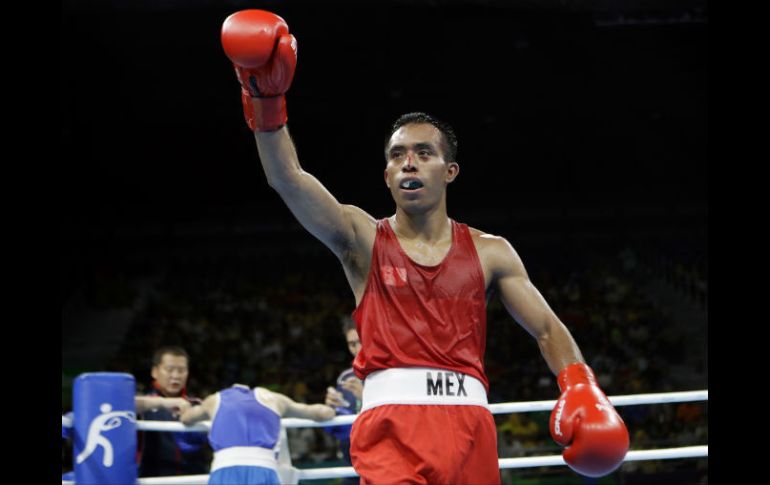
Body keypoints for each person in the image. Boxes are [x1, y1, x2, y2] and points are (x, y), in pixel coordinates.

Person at [220, 9, 630, 484]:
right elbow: (286, 179)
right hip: (392, 427)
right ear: (388, 176)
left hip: (470, 426)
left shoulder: (491, 251)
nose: (408, 163)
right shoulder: (362, 238)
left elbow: (545, 327)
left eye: (423, 153)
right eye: (397, 156)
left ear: (449, 171)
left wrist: (579, 384)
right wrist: (265, 100)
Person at [180, 383, 335, 485]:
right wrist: (333, 407)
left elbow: (186, 418)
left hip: (225, 471)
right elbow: (321, 413)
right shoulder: (274, 399)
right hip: (263, 470)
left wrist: (182, 406)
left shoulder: (214, 400)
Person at [137, 346, 210, 477]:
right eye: (169, 370)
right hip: (154, 480)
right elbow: (122, 405)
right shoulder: (143, 404)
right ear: (155, 372)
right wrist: (163, 402)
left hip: (194, 480)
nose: (176, 376)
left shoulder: (198, 405)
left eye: (181, 370)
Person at [324, 319, 362, 484]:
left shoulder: (390, 373)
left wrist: (364, 396)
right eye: (352, 344)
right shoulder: (346, 377)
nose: (357, 349)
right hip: (352, 465)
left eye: (361, 342)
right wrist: (331, 407)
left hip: (382, 463)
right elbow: (338, 427)